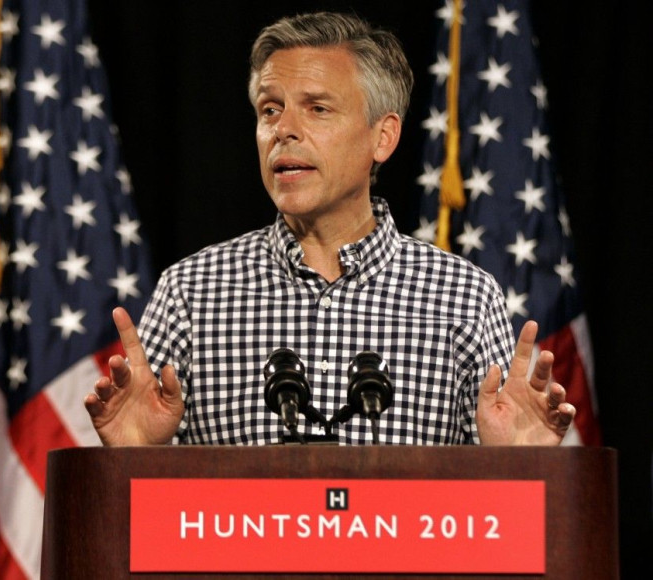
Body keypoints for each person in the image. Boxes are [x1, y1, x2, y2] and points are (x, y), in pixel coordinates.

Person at [84, 11, 575, 447]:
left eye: (317, 108)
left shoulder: (462, 298)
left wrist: (517, 463)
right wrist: (132, 455)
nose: (284, 129)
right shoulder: (191, 293)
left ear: (382, 137)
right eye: (270, 109)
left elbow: (496, 518)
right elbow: (146, 514)